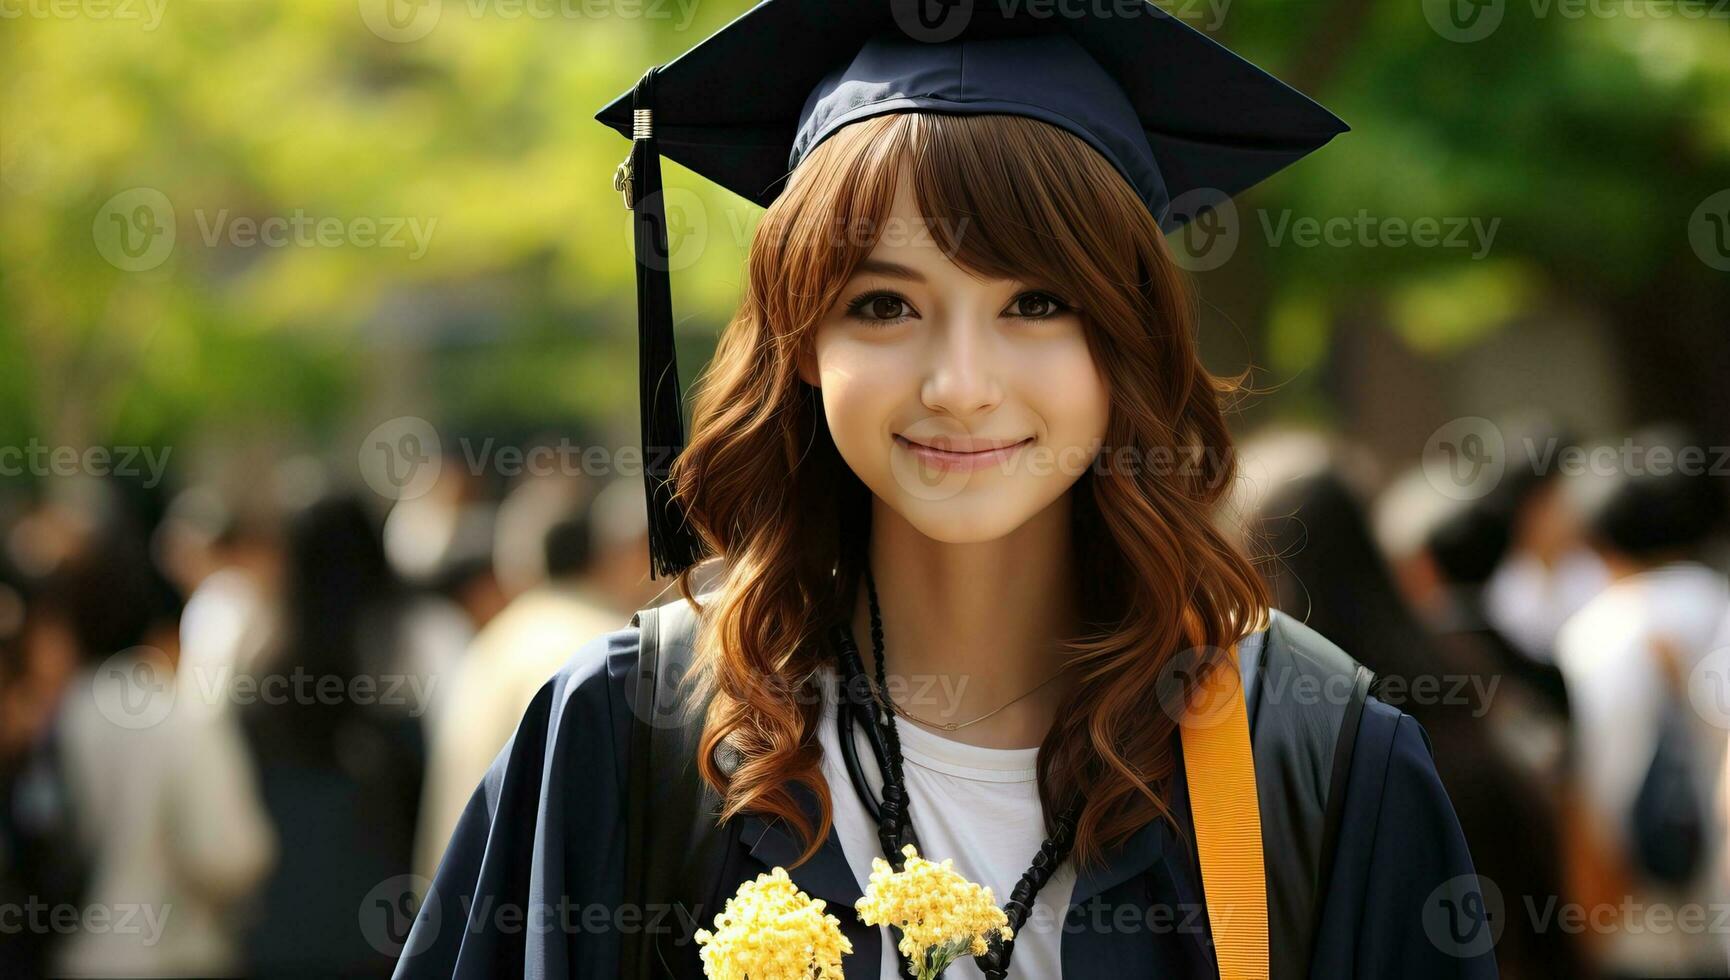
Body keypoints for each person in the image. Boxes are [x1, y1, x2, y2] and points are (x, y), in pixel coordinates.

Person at [399, 3, 1492, 978]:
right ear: (803, 343)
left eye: (1035, 302)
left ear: (1127, 342)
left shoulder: (1310, 758)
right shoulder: (629, 735)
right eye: (883, 303)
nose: (959, 386)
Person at [1552, 427, 1730, 980]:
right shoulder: (1717, 600)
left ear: (1600, 537)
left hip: (1639, 923)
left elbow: (1594, 780)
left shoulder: (1593, 633)